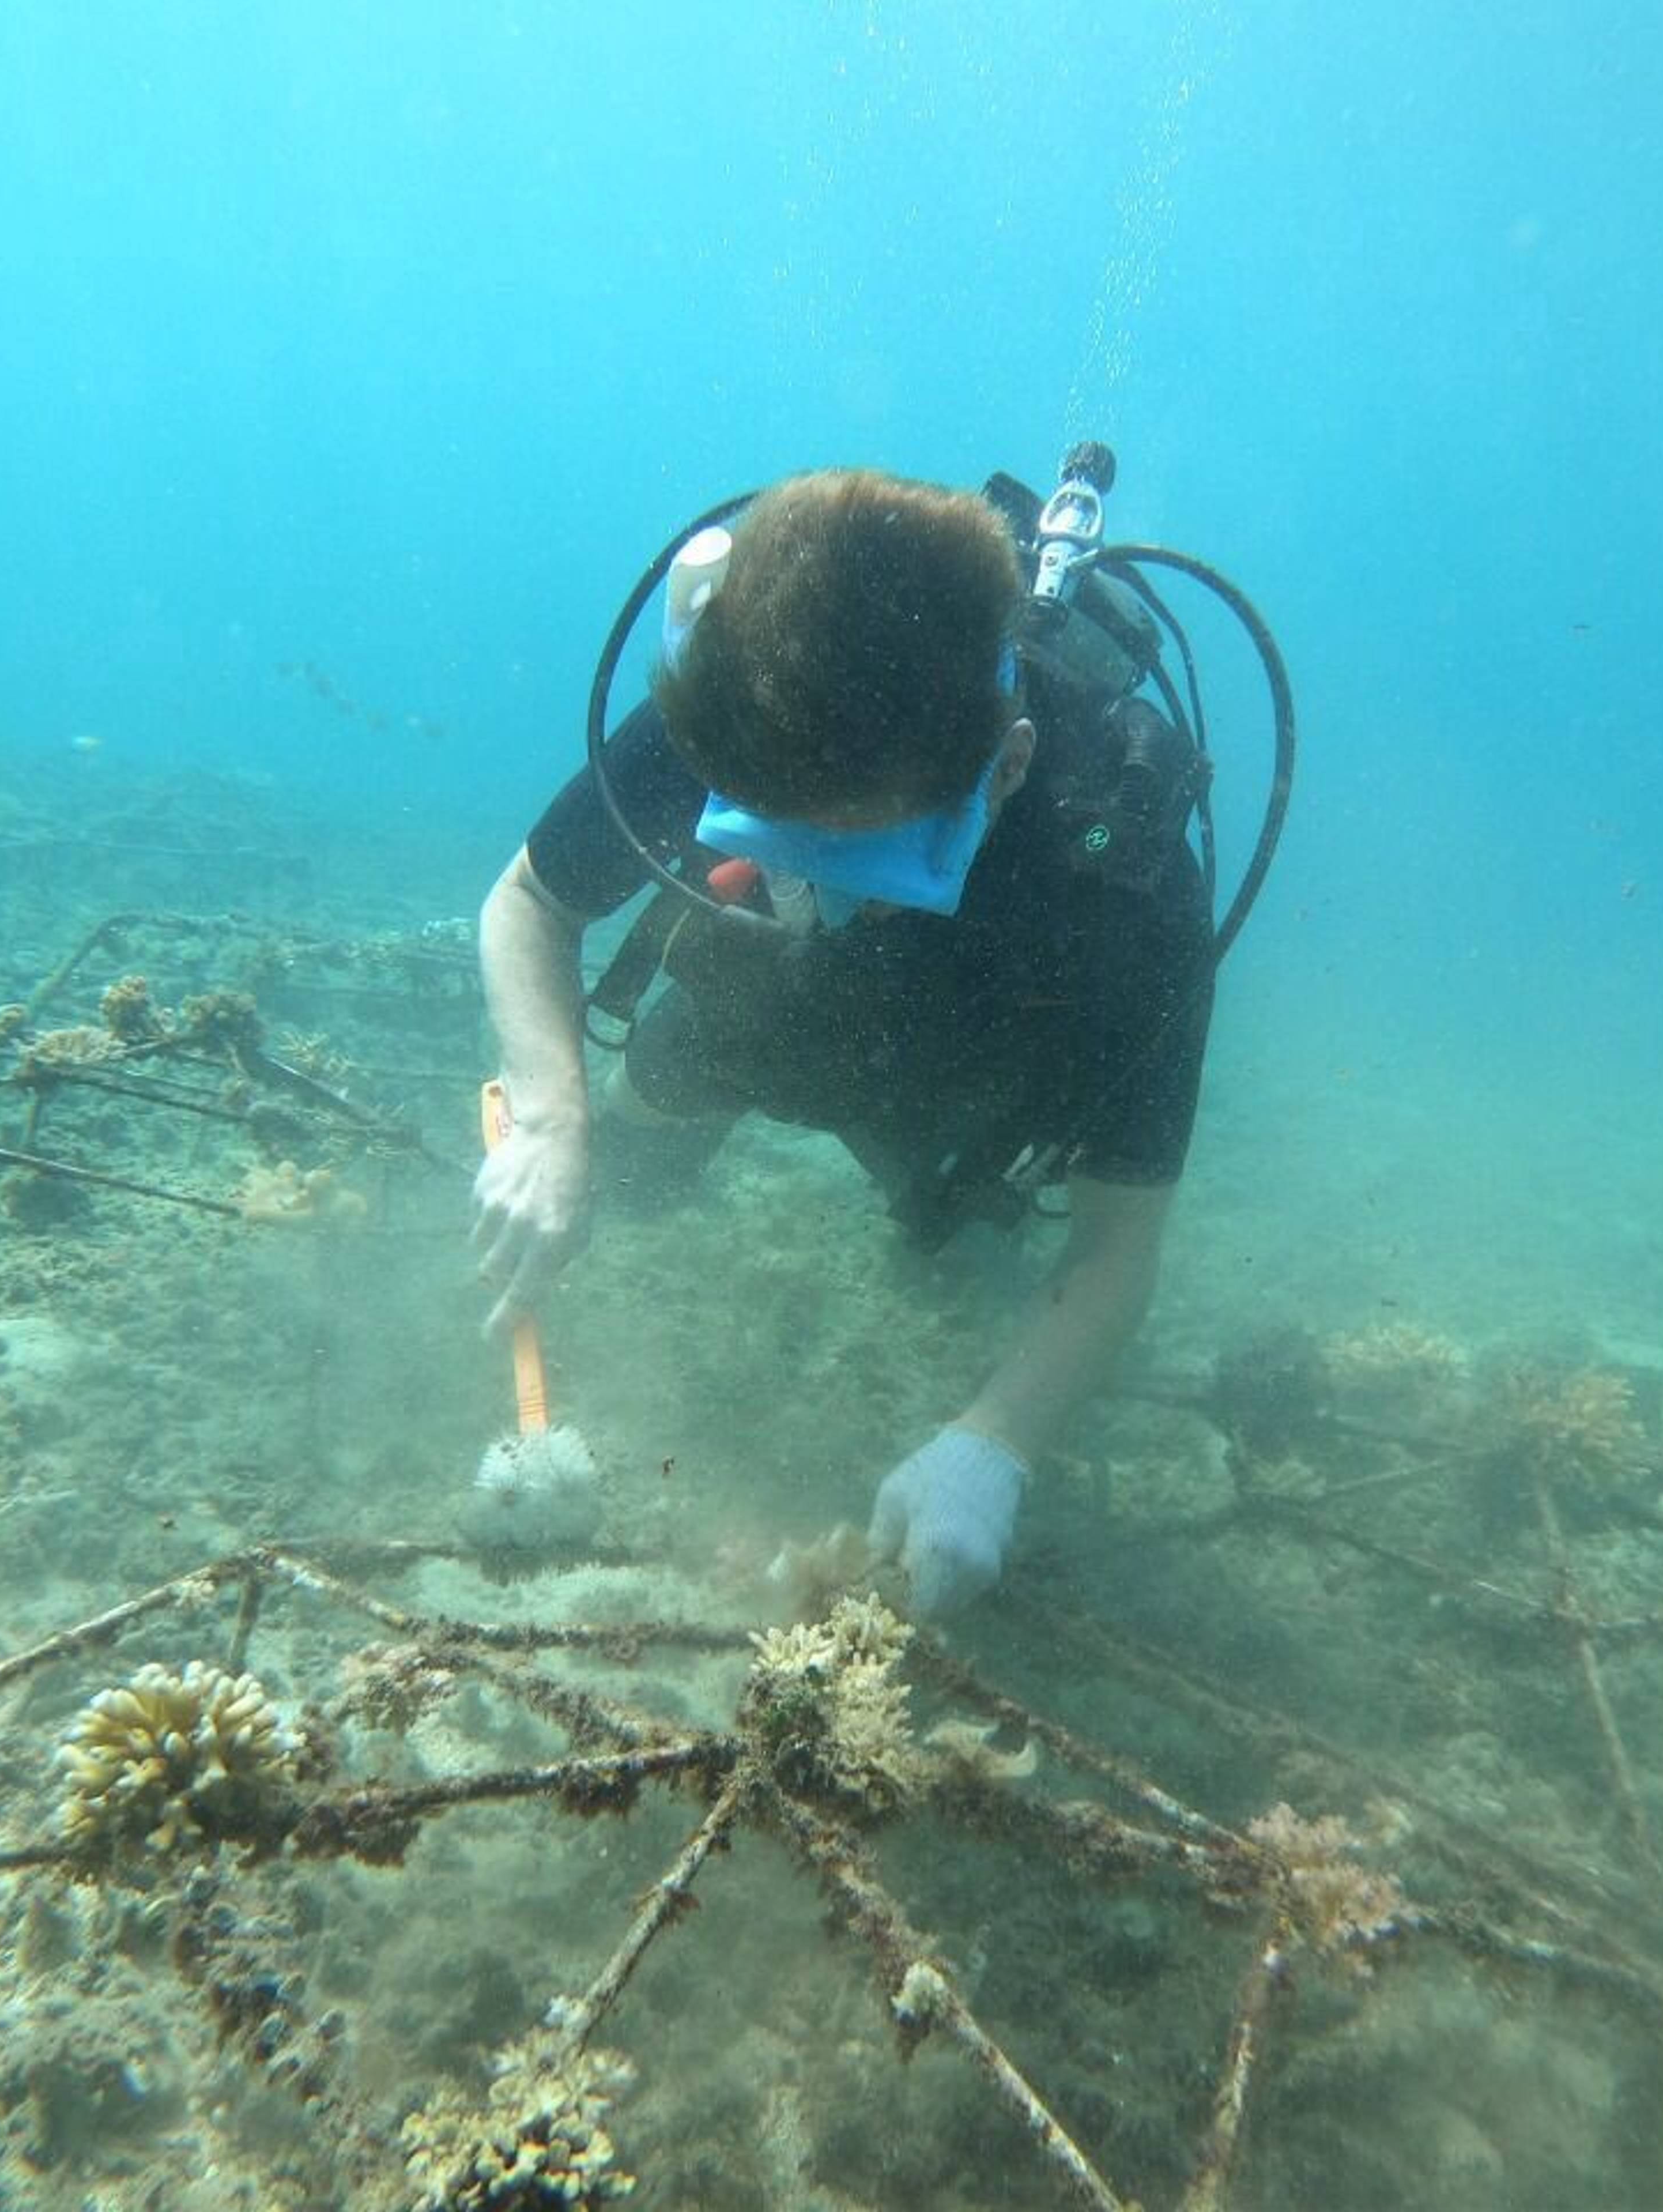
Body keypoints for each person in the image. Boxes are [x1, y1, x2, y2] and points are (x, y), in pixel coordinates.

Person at [473, 465, 1216, 1617]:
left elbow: (1119, 1247)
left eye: (861, 863)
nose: (811, 893)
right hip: (758, 1023)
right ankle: (655, 1122)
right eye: (776, 841)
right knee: (650, 1101)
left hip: (969, 1061)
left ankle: (928, 1199)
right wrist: (551, 1119)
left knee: (946, 1241)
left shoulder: (1126, 885)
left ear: (1007, 764)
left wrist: (996, 1446)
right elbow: (530, 903)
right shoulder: (743, 691)